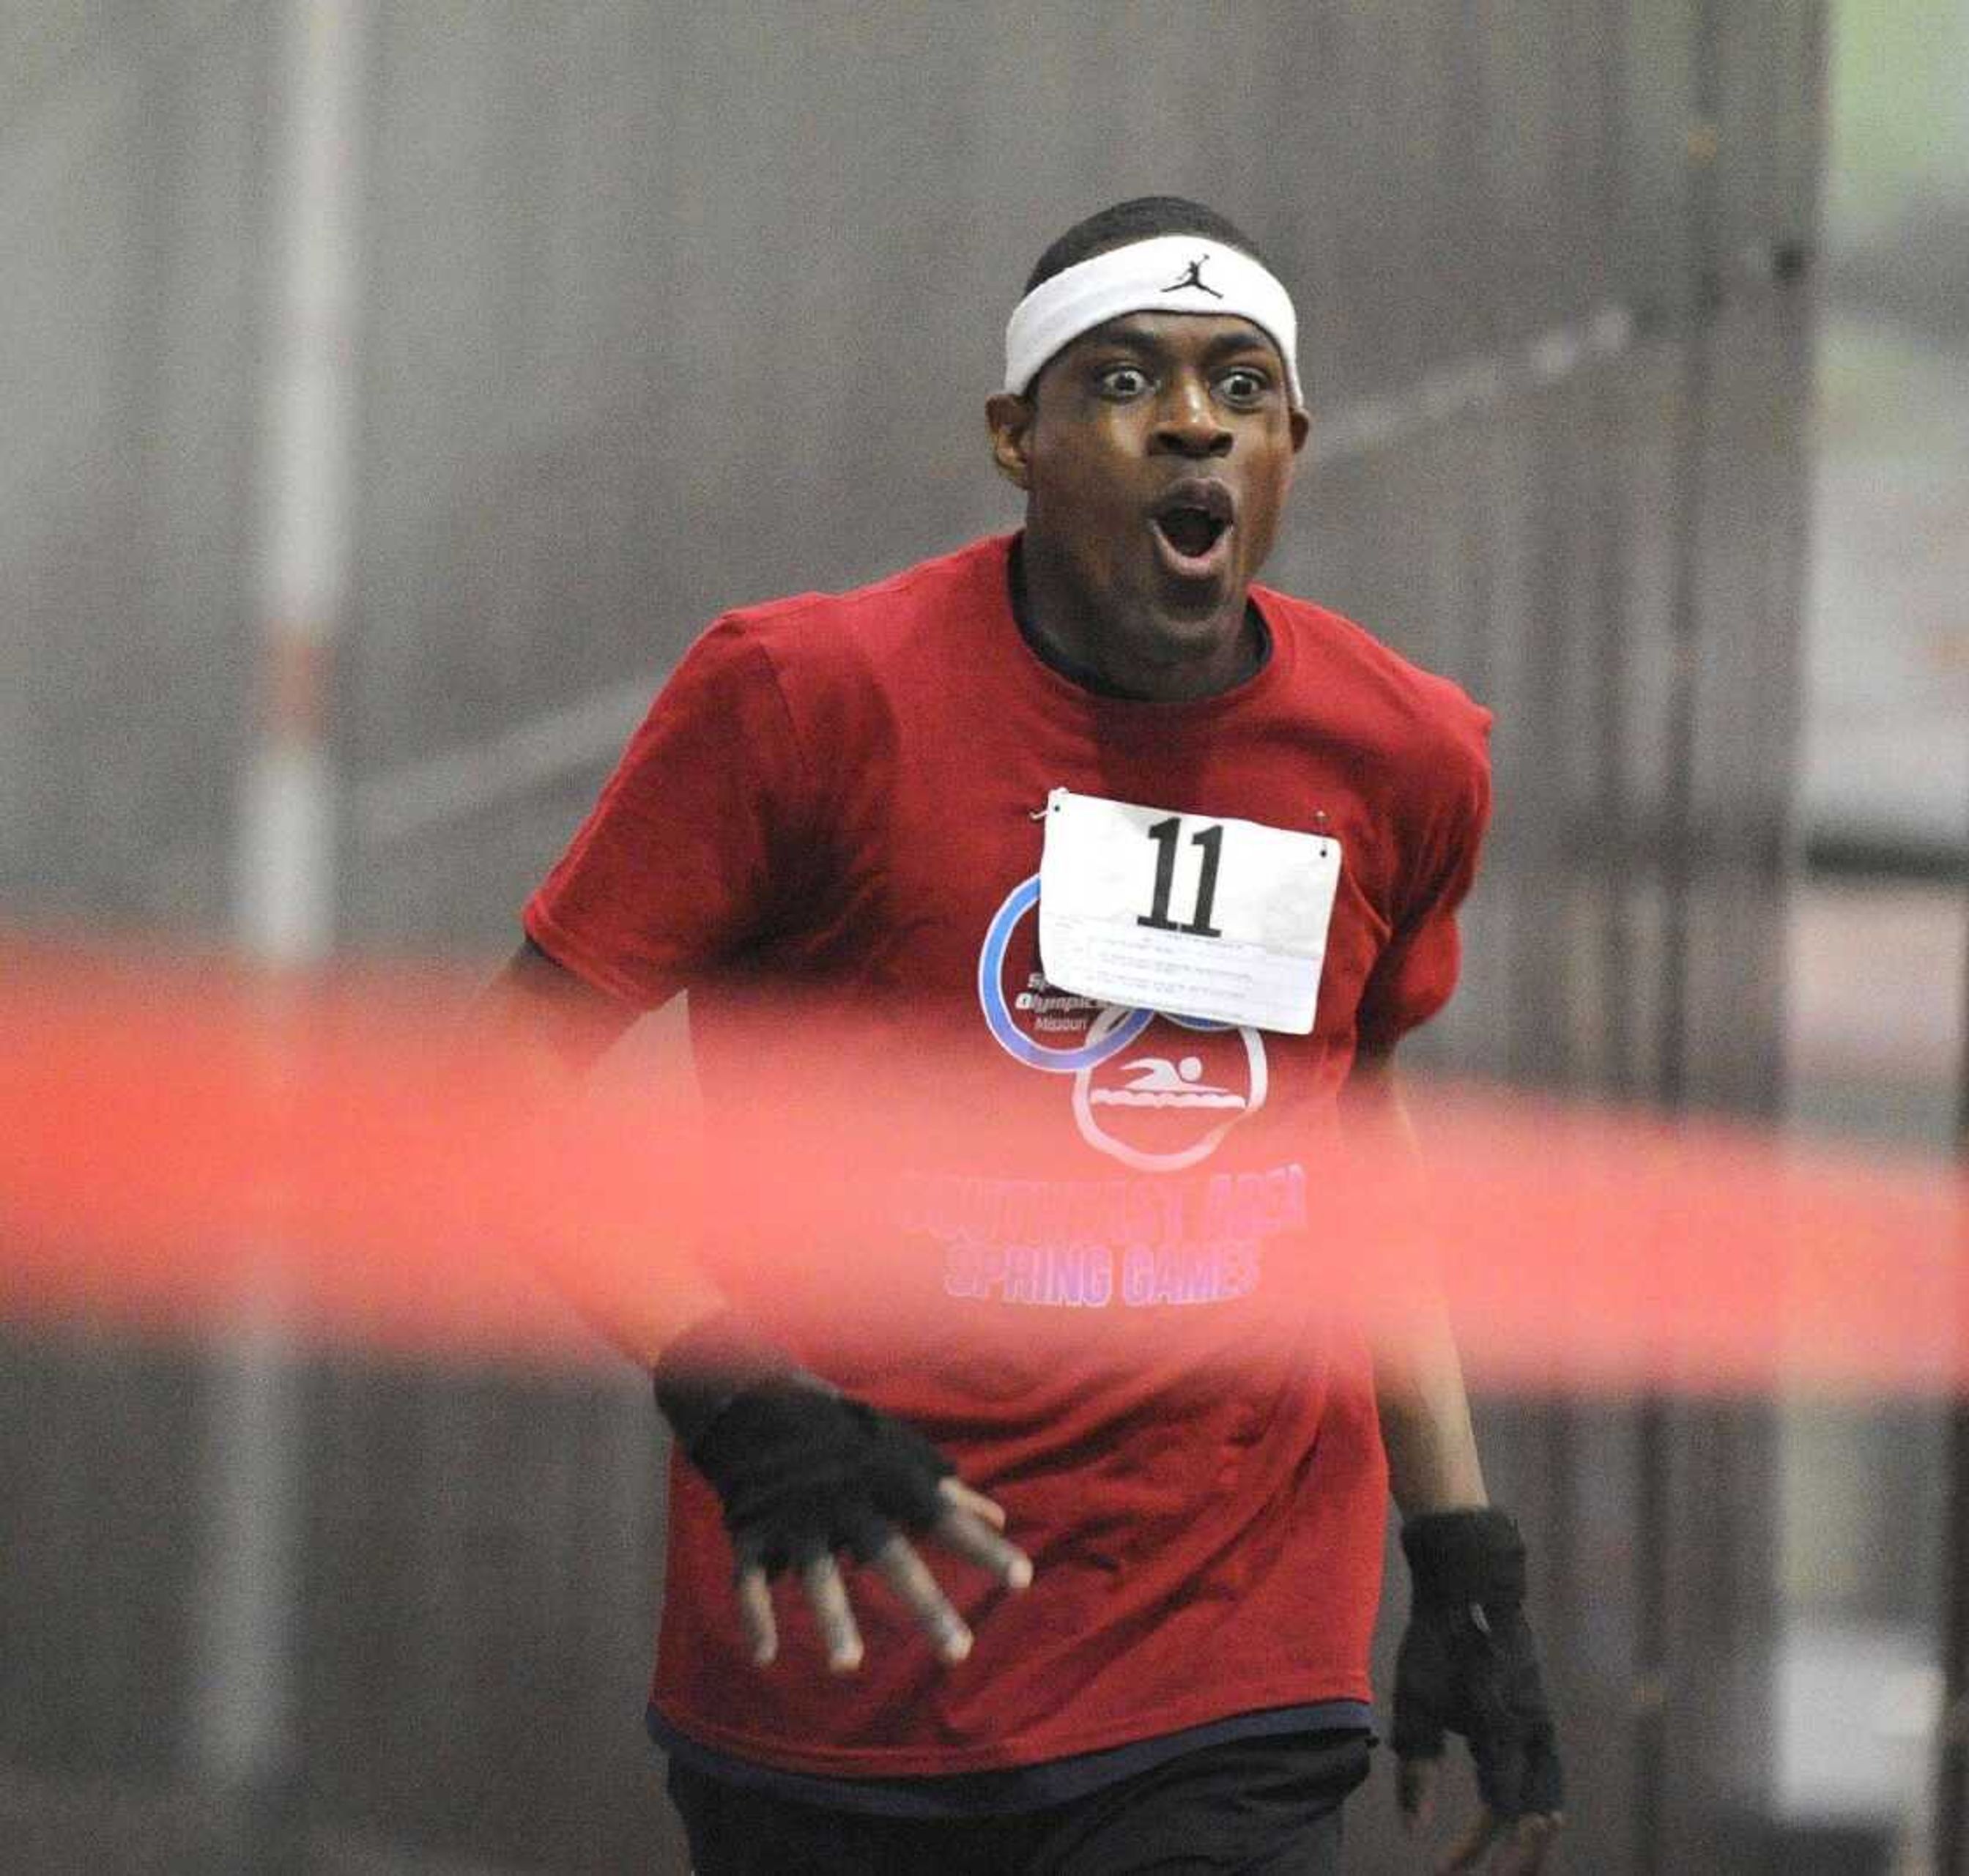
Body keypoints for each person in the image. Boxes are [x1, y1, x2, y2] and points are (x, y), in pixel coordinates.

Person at [475, 196, 1564, 1875]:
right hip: (843, 1667)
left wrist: (1464, 1544)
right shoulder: (806, 701)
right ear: (1016, 439)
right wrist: (738, 1397)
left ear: (1288, 445)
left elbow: (1358, 1136)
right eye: (1125, 380)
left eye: (1241, 387)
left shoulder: (1401, 755)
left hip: (1226, 1666)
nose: (1193, 420)